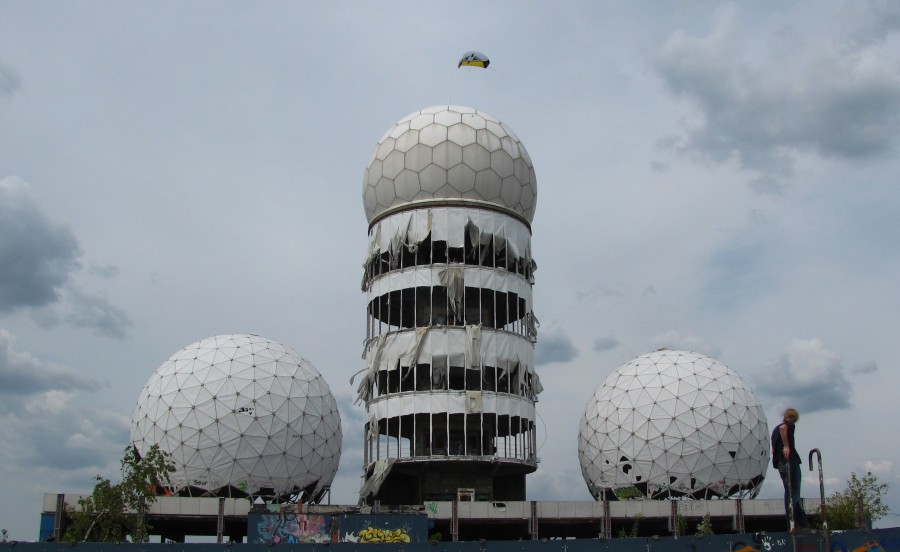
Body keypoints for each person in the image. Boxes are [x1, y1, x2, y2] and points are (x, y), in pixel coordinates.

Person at [771, 407, 810, 531]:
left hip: (780, 464)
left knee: (789, 494)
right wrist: (787, 446)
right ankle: (800, 523)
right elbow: (784, 429)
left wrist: (776, 449)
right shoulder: (788, 426)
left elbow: (773, 447)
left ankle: (796, 523)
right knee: (794, 495)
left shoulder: (775, 429)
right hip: (790, 463)